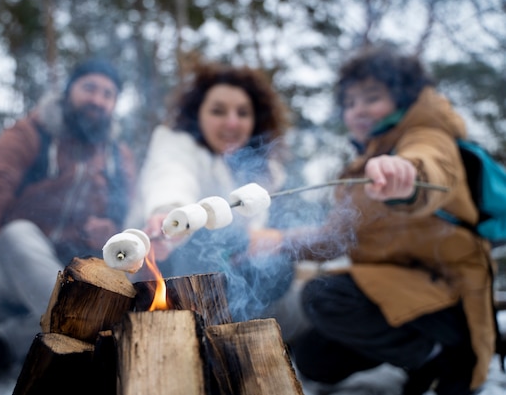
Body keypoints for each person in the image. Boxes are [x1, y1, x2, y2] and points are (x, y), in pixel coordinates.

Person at [276, 45, 495, 394]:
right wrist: (276, 242)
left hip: (448, 297)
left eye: (371, 98)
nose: (358, 110)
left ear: (402, 97)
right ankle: (418, 358)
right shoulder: (363, 164)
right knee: (314, 358)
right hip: (402, 295)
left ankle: (439, 358)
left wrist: (405, 173)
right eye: (349, 104)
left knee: (324, 295)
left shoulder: (426, 135)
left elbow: (430, 166)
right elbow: (332, 238)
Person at [0, 58, 135, 392]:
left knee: (120, 286)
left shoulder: (119, 157)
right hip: (15, 262)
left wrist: (112, 230)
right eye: (90, 89)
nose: (98, 99)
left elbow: (127, 218)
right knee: (18, 234)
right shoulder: (32, 133)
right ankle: (102, 363)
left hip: (77, 270)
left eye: (108, 94)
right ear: (69, 91)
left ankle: (4, 344)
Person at [126, 59, 293, 320]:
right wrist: (167, 214)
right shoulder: (176, 143)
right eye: (218, 111)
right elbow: (170, 176)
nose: (232, 122)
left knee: (277, 266)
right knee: (208, 237)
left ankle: (227, 338)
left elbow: (252, 237)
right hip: (164, 262)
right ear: (198, 114)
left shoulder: (262, 172)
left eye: (242, 113)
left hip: (227, 275)